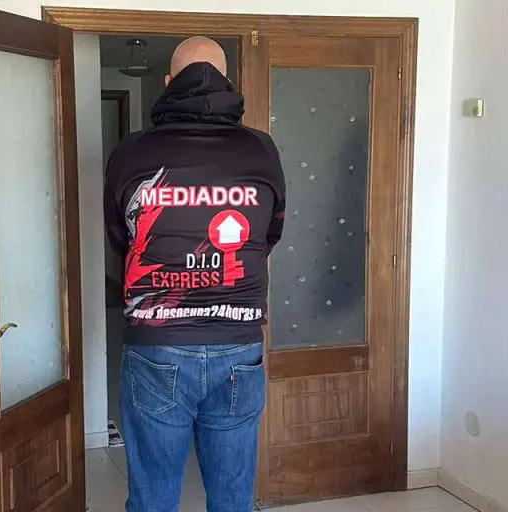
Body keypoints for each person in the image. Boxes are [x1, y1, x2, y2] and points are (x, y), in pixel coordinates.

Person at [104, 36, 286, 512]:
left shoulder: (131, 151)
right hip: (238, 344)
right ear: (228, 82)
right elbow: (270, 234)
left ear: (168, 83)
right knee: (232, 499)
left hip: (156, 342)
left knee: (152, 498)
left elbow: (121, 240)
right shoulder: (261, 149)